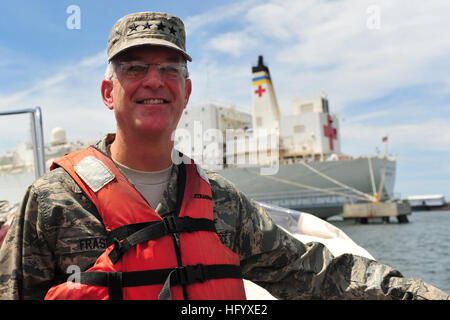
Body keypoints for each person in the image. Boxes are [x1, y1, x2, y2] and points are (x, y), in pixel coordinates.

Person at [0, 11, 448, 300]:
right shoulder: (51, 202)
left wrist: (419, 295)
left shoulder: (224, 204)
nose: (154, 81)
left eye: (169, 70)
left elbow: (315, 273)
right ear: (107, 92)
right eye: (135, 68)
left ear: (186, 91)